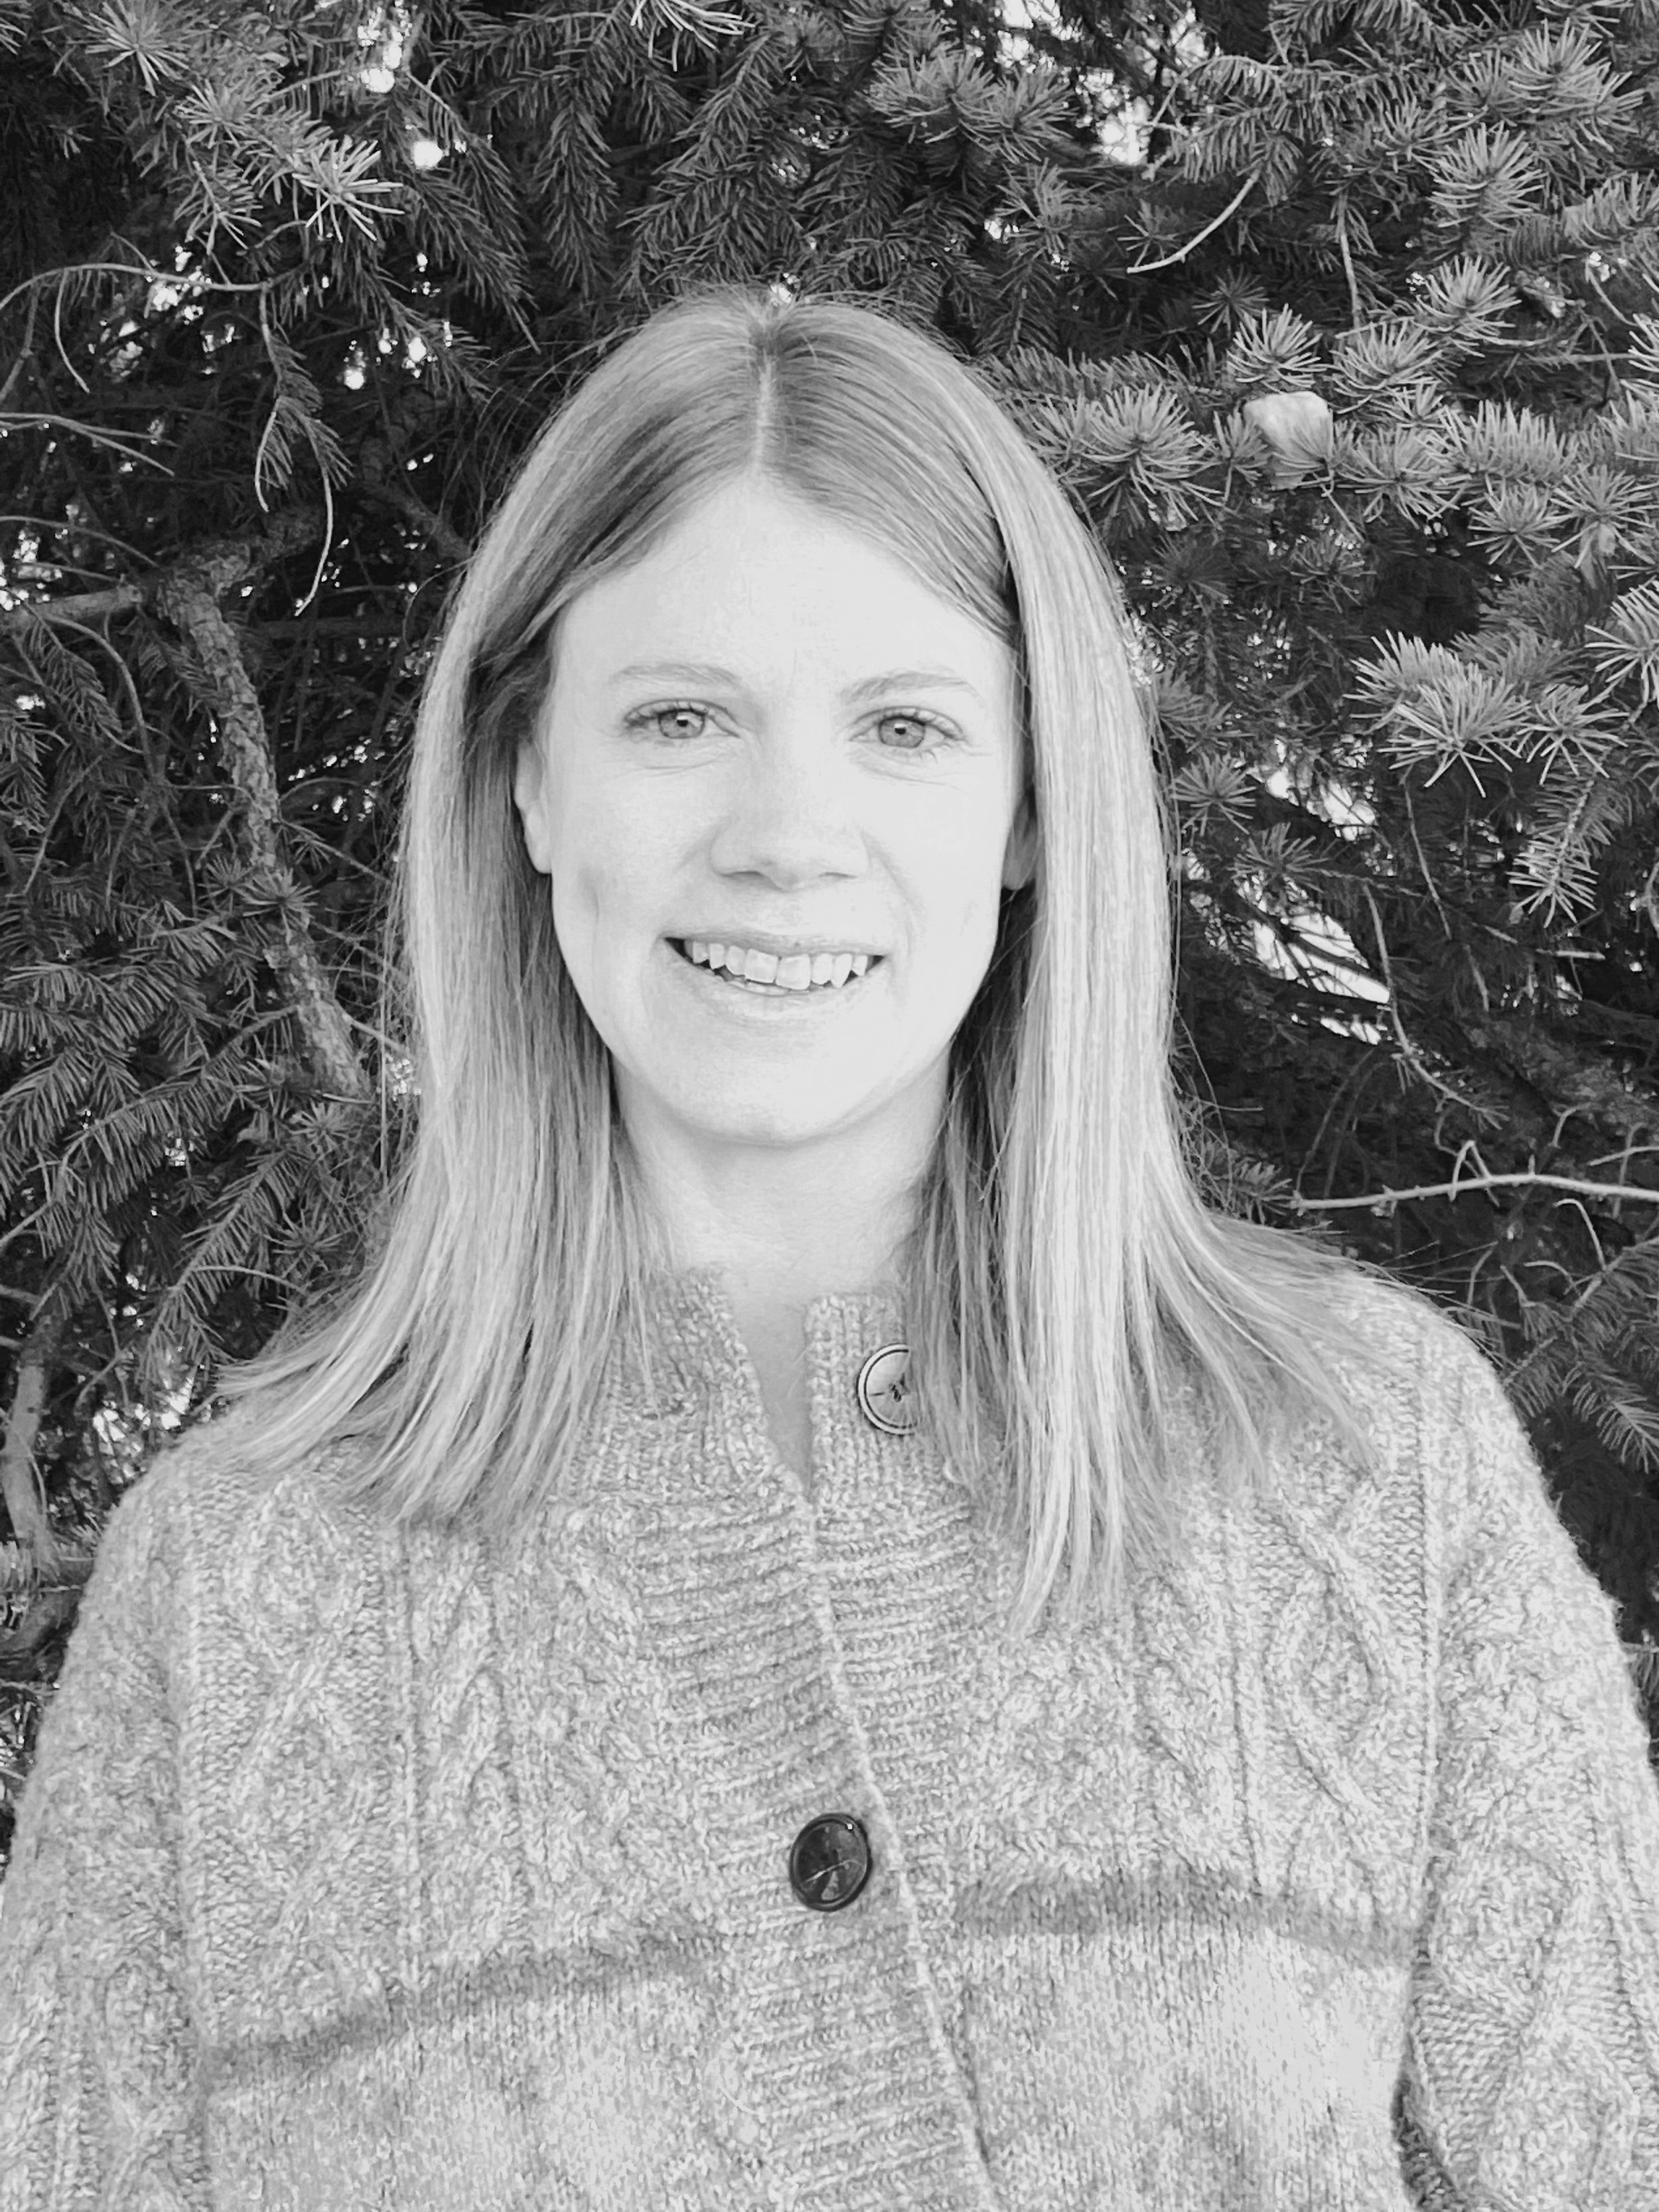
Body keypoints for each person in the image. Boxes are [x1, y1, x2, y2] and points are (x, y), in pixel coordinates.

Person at [2, 282, 1657, 2211]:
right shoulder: (235, 1586)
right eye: (682, 717)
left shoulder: (1367, 1465)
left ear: (1032, 806)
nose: (790, 835)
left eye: (903, 726)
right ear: (529, 776)